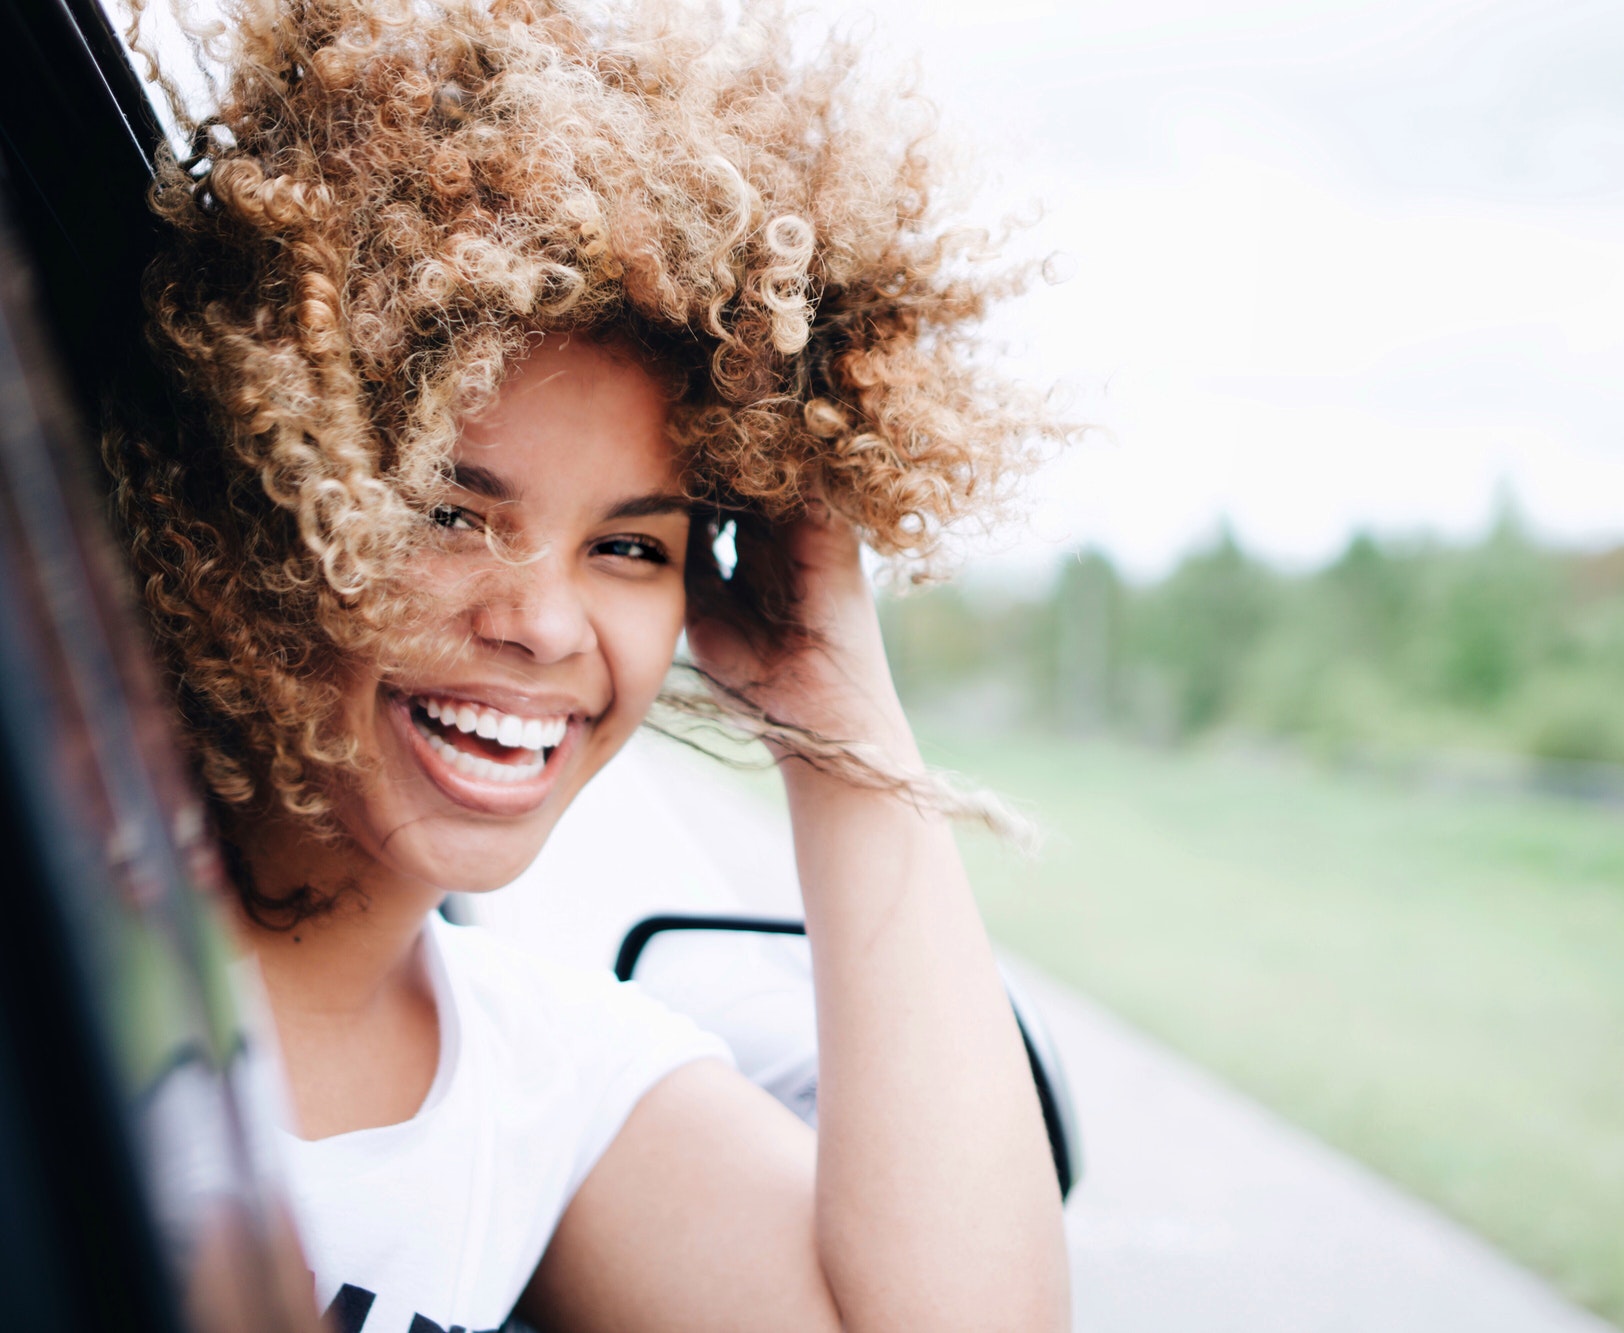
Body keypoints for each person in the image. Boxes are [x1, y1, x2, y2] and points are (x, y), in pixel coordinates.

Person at [103, 1, 1071, 1328]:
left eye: (631, 546)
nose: (546, 624)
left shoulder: (547, 1088)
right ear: (268, 501)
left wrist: (833, 704)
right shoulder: (52, 934)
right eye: (452, 512)